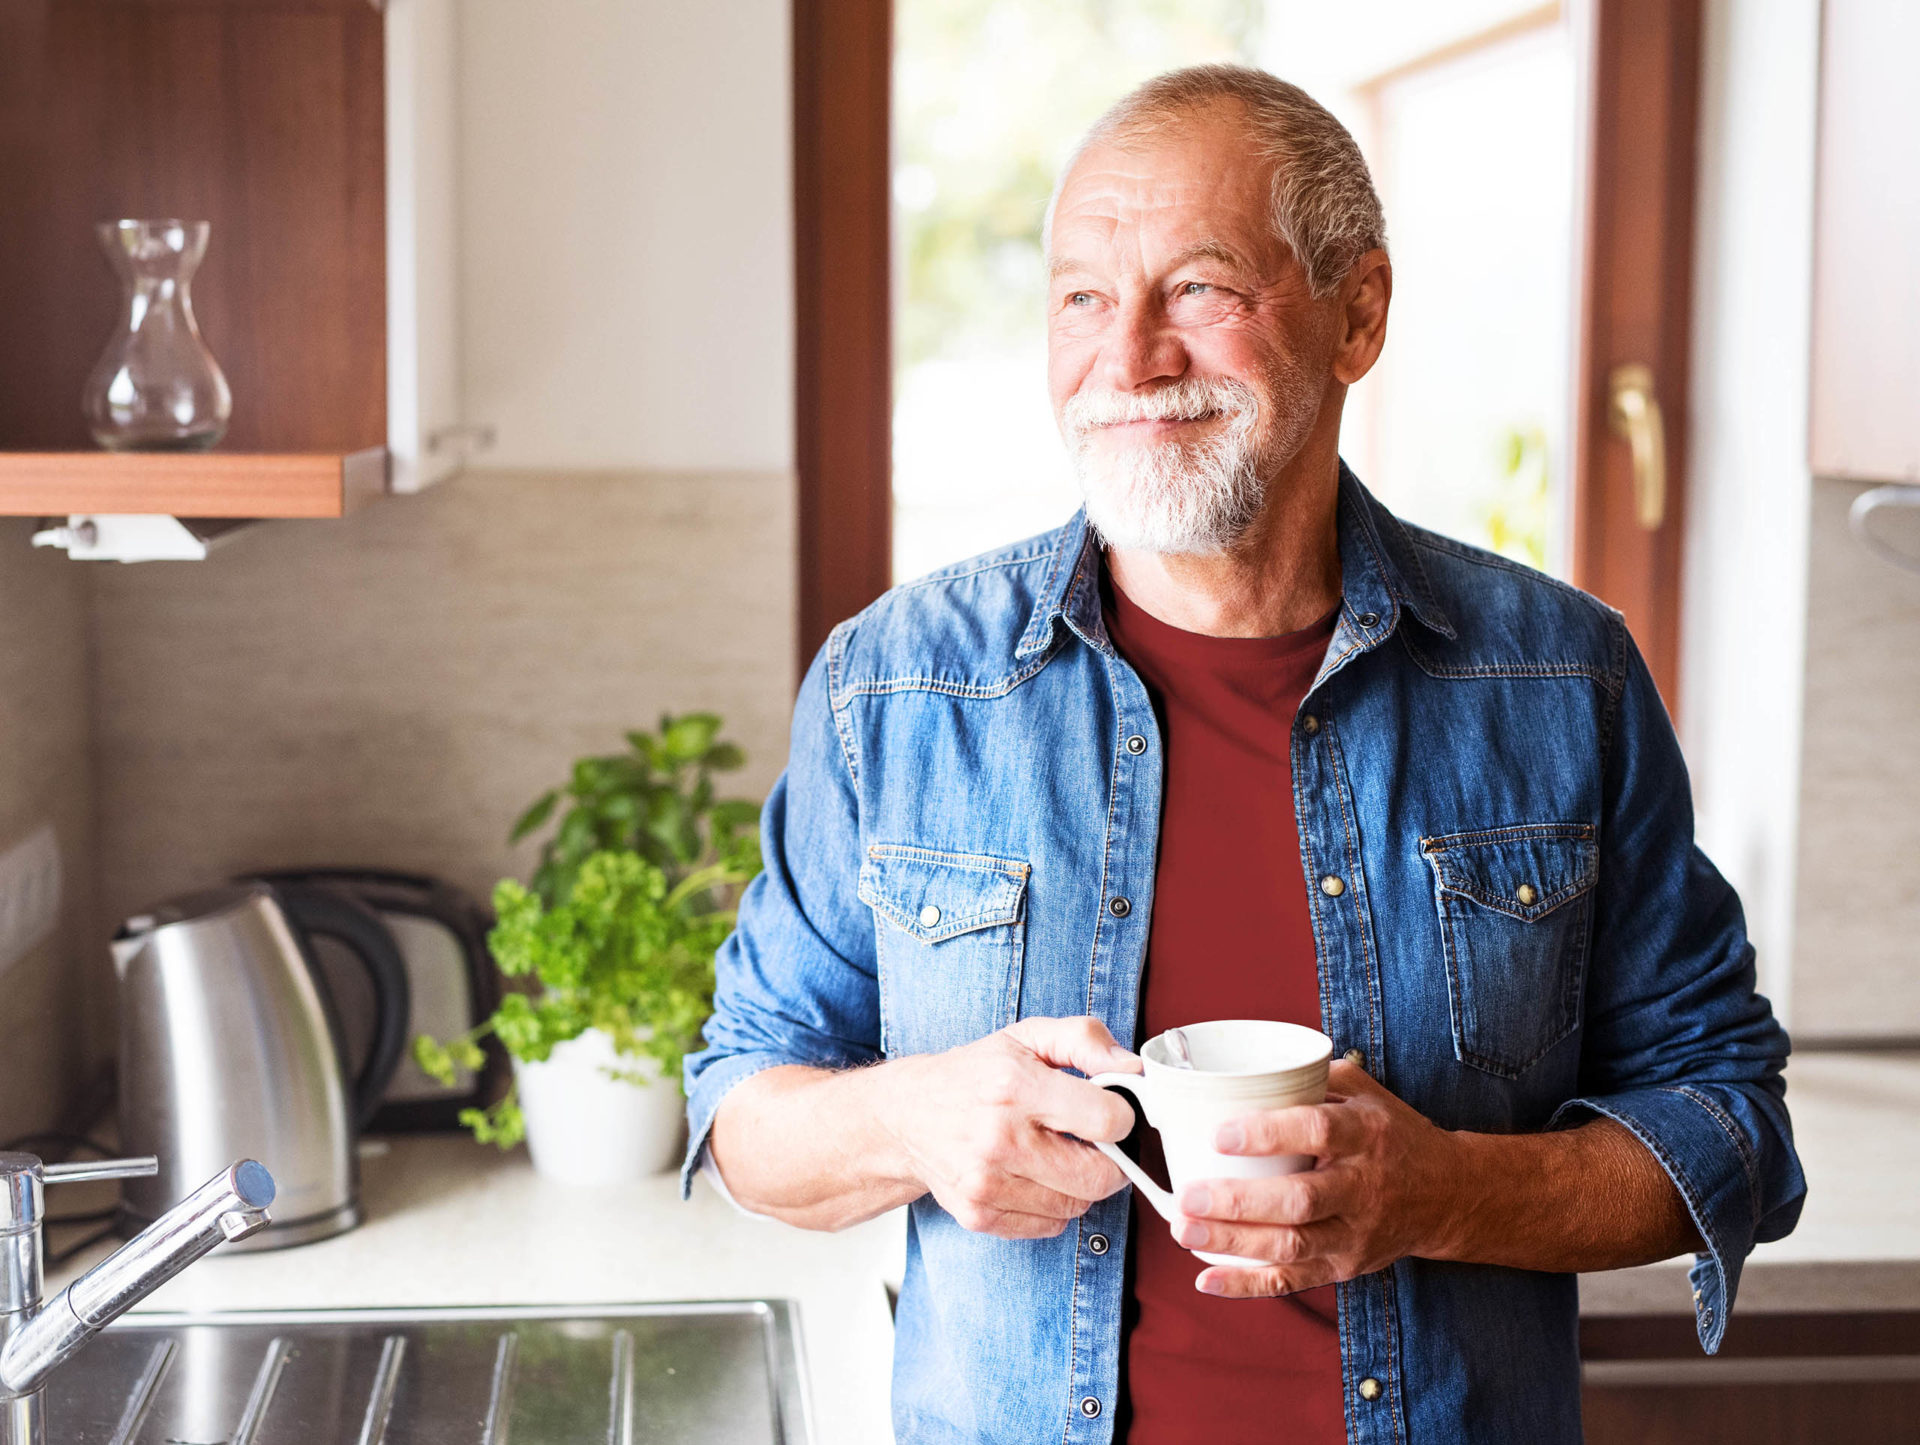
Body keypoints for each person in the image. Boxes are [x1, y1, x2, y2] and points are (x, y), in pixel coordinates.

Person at [682, 64, 1804, 1443]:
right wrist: (910, 1122)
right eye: (1084, 298)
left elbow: (1730, 1119)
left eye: (1199, 289)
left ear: (1360, 312)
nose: (1130, 358)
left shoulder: (1561, 681)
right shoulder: (900, 684)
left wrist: (1441, 1190)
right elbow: (744, 1106)